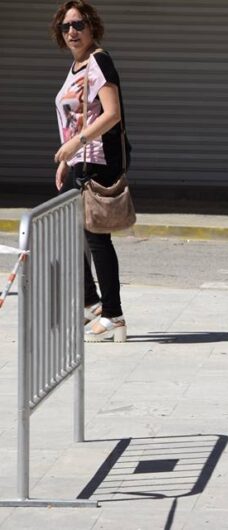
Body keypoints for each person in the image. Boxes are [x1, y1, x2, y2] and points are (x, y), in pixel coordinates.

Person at [51, 0, 131, 342]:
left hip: (96, 160)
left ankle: (113, 314)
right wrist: (66, 160)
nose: (72, 31)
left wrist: (74, 146)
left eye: (79, 24)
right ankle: (92, 303)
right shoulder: (75, 67)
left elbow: (111, 113)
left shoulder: (99, 61)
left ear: (92, 27)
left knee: (96, 239)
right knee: (68, 234)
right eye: (66, 26)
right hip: (78, 162)